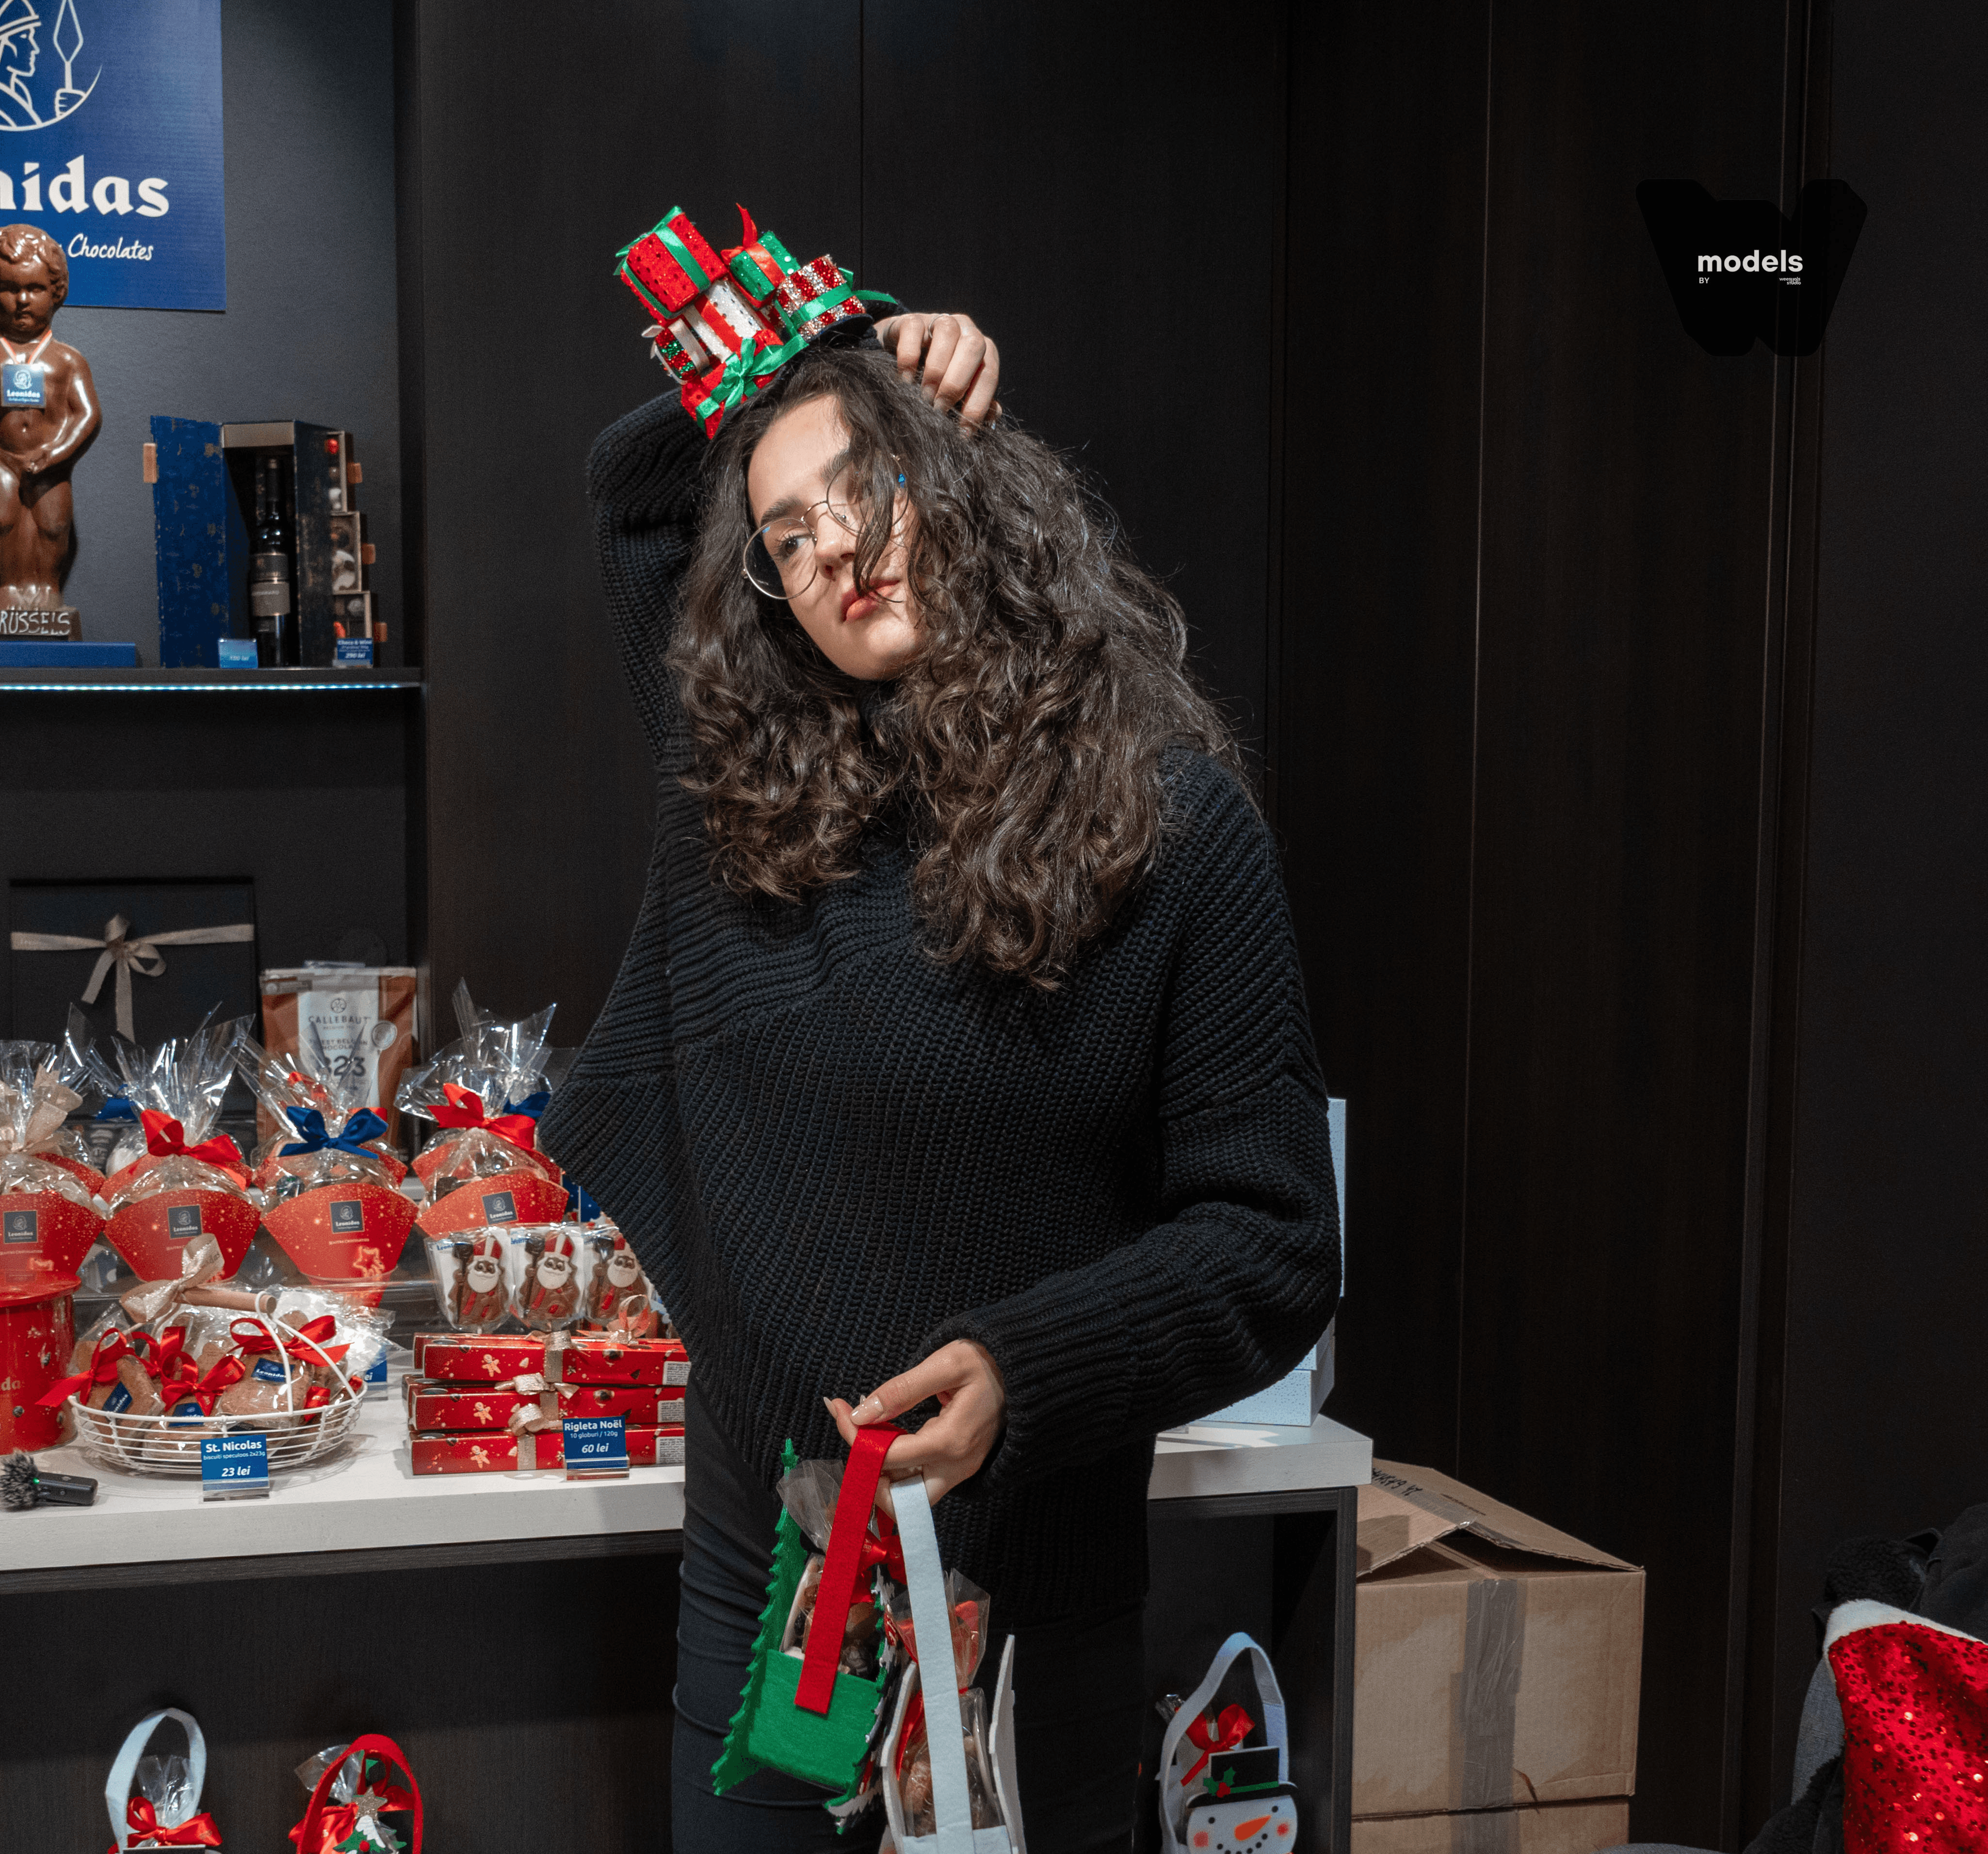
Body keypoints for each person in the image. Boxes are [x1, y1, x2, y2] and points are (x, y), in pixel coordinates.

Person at [539, 308, 1341, 1854]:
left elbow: (1274, 1236)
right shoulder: (737, 787)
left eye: (871, 484)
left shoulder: (1177, 830)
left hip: (1025, 1625)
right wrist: (836, 327)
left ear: (965, 486)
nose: (838, 546)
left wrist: (1021, 1371)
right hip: (768, 1605)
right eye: (787, 531)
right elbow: (634, 484)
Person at [0, 222, 98, 611]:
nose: (22, 300)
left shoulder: (67, 360)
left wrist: (57, 452)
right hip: (2, 461)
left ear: (56, 293)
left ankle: (46, 596)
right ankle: (7, 593)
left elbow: (88, 415)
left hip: (53, 462)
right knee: (2, 519)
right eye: (9, 289)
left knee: (53, 525)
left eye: (35, 289)